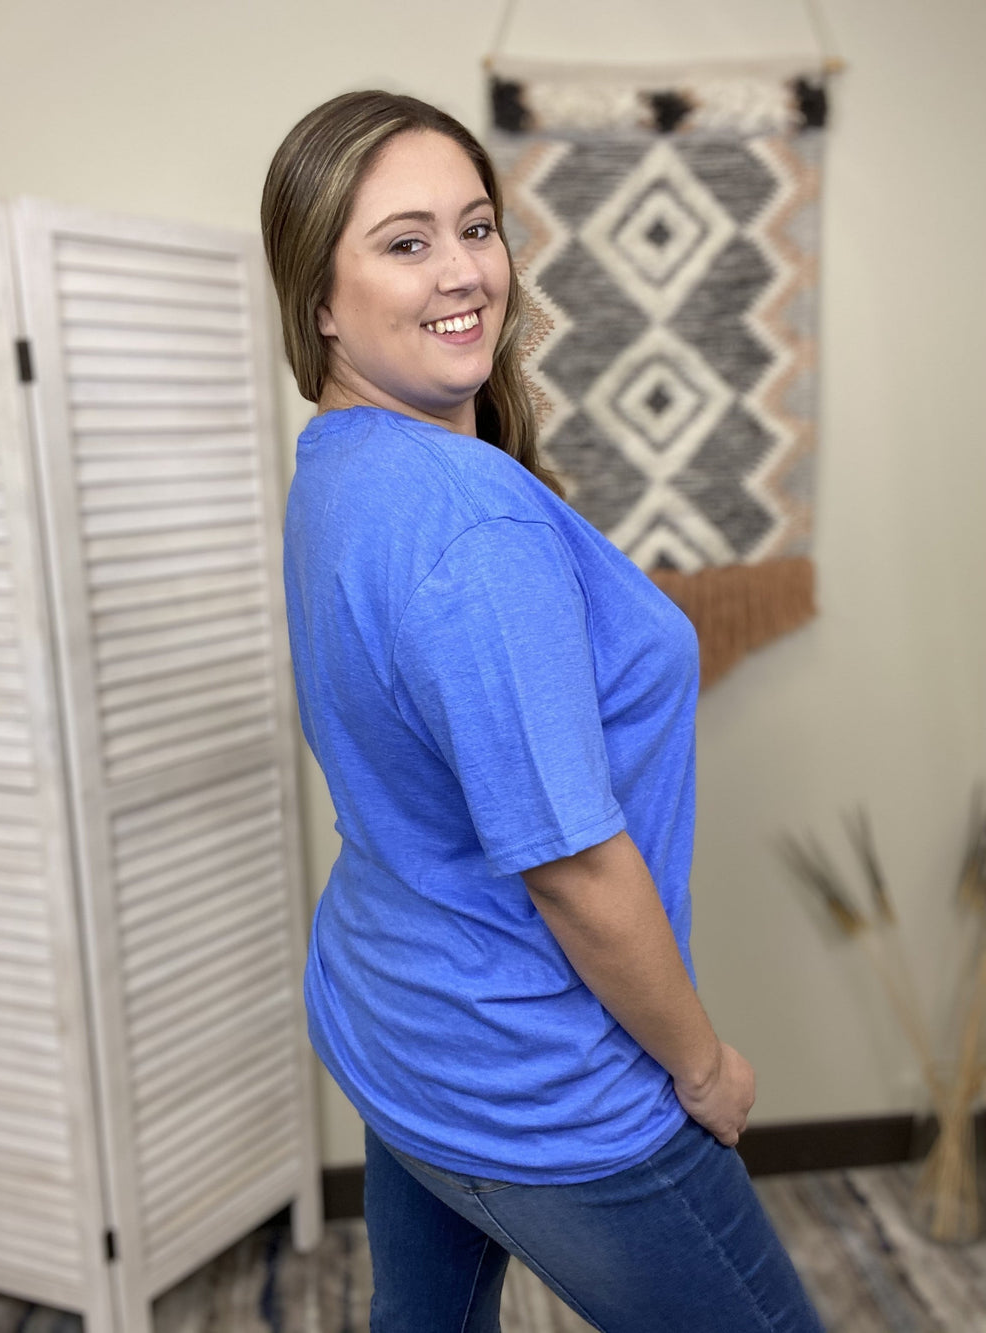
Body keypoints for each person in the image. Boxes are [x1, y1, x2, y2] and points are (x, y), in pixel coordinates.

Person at [261, 90, 825, 1333]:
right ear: (320, 300)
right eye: (404, 243)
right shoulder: (474, 530)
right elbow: (570, 866)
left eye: (476, 227)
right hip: (539, 1075)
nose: (462, 271)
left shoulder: (340, 465)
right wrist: (701, 1065)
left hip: (402, 1016)